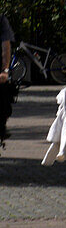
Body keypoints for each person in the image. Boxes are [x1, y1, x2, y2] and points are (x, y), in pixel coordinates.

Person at [0, 9, 14, 143]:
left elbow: (6, 45)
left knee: (4, 98)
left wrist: (5, 70)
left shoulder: (1, 20)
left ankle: (1, 126)